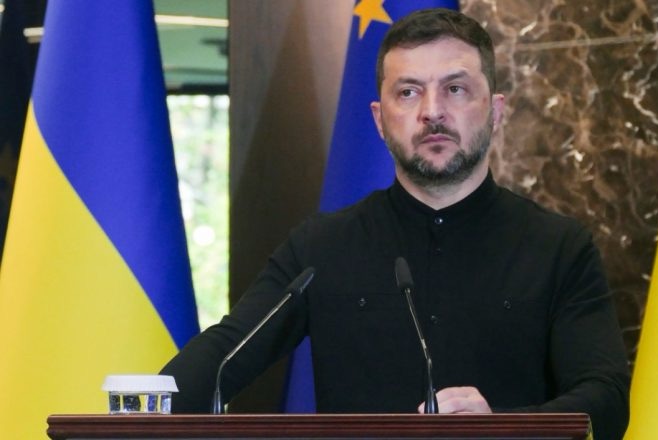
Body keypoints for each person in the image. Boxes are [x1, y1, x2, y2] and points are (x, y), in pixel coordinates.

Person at [161, 8, 630, 440]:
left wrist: (503, 426)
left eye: (455, 89)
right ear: (380, 120)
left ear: (496, 111)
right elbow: (223, 356)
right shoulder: (321, 248)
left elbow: (607, 398)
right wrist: (140, 406)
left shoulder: (560, 247)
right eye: (408, 92)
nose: (432, 111)